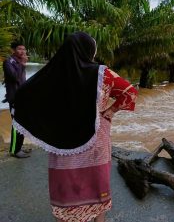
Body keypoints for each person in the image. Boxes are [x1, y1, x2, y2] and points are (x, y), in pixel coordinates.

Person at [13, 32, 138, 222]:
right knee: (96, 182)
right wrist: (110, 112)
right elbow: (130, 92)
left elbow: (23, 94)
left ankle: (65, 217)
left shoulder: (52, 73)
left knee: (65, 183)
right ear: (89, 51)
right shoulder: (102, 73)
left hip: (60, 137)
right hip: (95, 135)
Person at [2, 42, 30, 158]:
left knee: (22, 123)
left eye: (24, 49)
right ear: (13, 50)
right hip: (14, 99)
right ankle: (14, 150)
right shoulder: (8, 62)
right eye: (19, 49)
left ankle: (19, 147)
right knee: (16, 124)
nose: (22, 51)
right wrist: (23, 65)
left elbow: (22, 81)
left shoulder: (19, 63)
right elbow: (14, 77)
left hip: (22, 98)